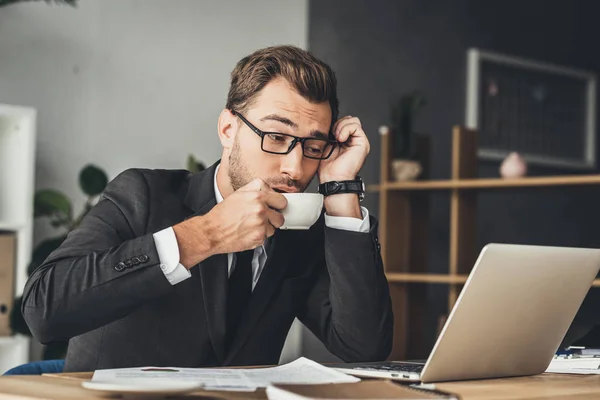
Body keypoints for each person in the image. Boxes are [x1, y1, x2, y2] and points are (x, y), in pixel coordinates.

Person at [22, 45, 394, 372]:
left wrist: (341, 189)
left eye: (313, 147)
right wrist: (205, 235)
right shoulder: (143, 195)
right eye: (277, 137)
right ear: (228, 129)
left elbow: (363, 346)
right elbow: (43, 310)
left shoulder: (300, 234)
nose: (295, 169)